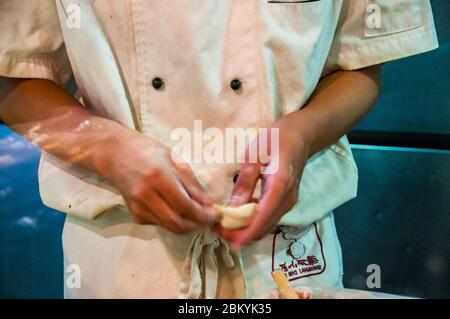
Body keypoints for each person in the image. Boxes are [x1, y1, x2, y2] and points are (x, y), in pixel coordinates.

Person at [0, 0, 438, 298]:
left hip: (288, 253)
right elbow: (12, 76)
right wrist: (111, 151)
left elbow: (363, 62)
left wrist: (303, 133)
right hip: (126, 257)